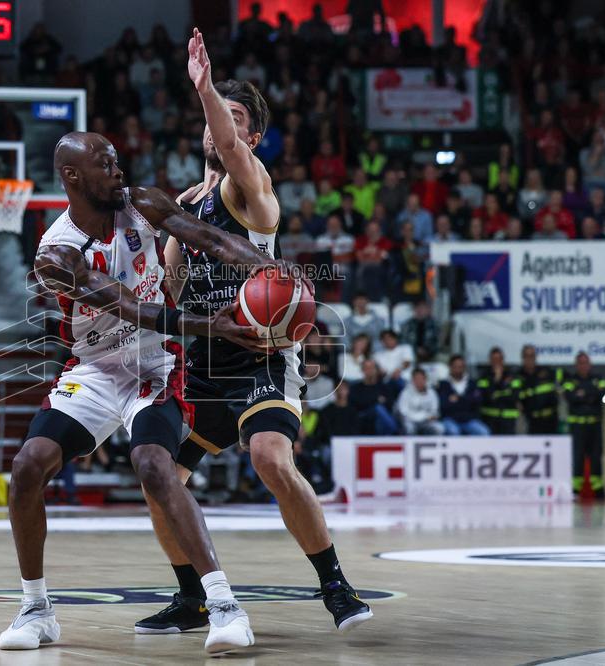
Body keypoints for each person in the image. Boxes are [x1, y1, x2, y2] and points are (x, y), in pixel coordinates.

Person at [136, 29, 371, 640]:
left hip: (262, 353)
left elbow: (231, 150)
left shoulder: (251, 186)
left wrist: (205, 88)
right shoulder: (184, 206)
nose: (220, 127)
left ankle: (335, 585)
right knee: (159, 477)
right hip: (204, 359)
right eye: (216, 116)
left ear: (253, 138)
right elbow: (170, 289)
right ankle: (192, 597)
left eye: (234, 119)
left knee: (269, 456)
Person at [1, 131, 272, 654]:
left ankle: (224, 606)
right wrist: (211, 326)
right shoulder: (56, 253)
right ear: (73, 177)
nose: (118, 171)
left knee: (153, 464)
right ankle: (36, 609)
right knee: (27, 467)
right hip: (95, 368)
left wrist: (270, 268)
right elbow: (130, 307)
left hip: (155, 361)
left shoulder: (141, 203)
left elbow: (210, 239)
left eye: (117, 161)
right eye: (105, 165)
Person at [562, 352, 605, 499]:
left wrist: (583, 394)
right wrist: (591, 395)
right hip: (578, 427)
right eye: (580, 363)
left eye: (586, 362)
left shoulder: (598, 378)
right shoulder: (569, 380)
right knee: (577, 458)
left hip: (594, 426)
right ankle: (575, 491)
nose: (583, 365)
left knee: (596, 458)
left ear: (590, 364)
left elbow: (602, 393)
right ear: (576, 365)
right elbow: (570, 397)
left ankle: (599, 491)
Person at [438, 355, 490, 436]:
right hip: (450, 419)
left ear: (464, 367)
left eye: (460, 367)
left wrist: (458, 399)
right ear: (450, 367)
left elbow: (477, 402)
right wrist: (466, 399)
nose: (458, 369)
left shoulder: (472, 383)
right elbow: (444, 405)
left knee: (483, 432)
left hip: (469, 420)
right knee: (453, 431)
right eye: (455, 367)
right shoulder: (443, 384)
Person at [517, 345, 564, 434]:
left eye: (532, 356)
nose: (530, 359)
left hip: (551, 419)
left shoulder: (546, 372)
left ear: (535, 357)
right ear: (522, 358)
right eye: (527, 356)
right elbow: (516, 396)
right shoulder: (518, 377)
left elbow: (562, 378)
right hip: (532, 422)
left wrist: (560, 390)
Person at [476, 347, 520, 435]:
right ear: (490, 360)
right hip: (489, 419)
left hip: (508, 419)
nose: (497, 362)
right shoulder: (484, 376)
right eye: (494, 359)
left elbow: (514, 397)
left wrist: (496, 394)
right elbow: (487, 397)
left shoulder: (512, 376)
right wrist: (497, 380)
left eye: (499, 359)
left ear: (503, 360)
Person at [350, 359, 398, 435]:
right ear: (362, 370)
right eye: (367, 368)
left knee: (380, 412)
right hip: (364, 418)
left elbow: (390, 404)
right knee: (377, 408)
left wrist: (370, 401)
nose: (370, 371)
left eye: (372, 368)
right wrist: (376, 400)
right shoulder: (356, 388)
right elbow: (357, 404)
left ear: (376, 370)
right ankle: (394, 430)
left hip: (381, 420)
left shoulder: (383, 387)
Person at [396, 368, 444, 435]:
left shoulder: (432, 393)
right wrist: (422, 417)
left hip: (427, 422)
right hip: (411, 421)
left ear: (425, 379)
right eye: (417, 379)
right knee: (409, 428)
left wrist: (431, 416)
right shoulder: (405, 392)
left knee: (439, 428)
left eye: (421, 378)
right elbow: (403, 411)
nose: (419, 381)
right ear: (412, 380)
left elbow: (435, 411)